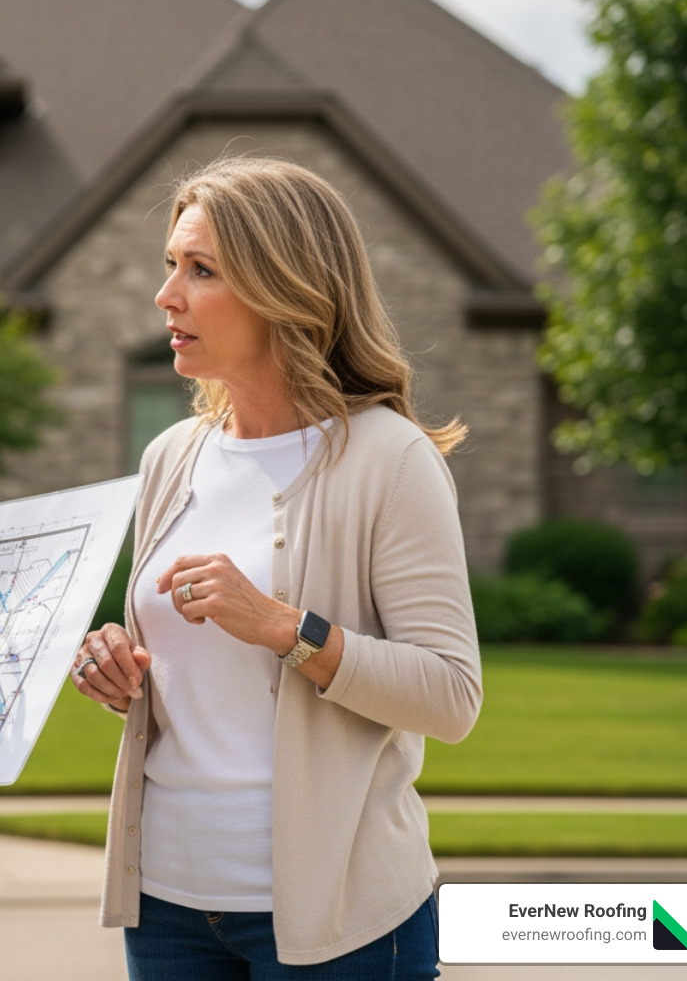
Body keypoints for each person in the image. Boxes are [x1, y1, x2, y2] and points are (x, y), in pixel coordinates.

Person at [69, 155, 482, 979]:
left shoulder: (389, 459)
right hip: (168, 908)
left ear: (281, 287)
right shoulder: (171, 457)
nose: (167, 296)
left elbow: (450, 695)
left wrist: (284, 628)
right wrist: (119, 669)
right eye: (169, 266)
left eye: (201, 270)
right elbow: (194, 687)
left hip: (340, 923)